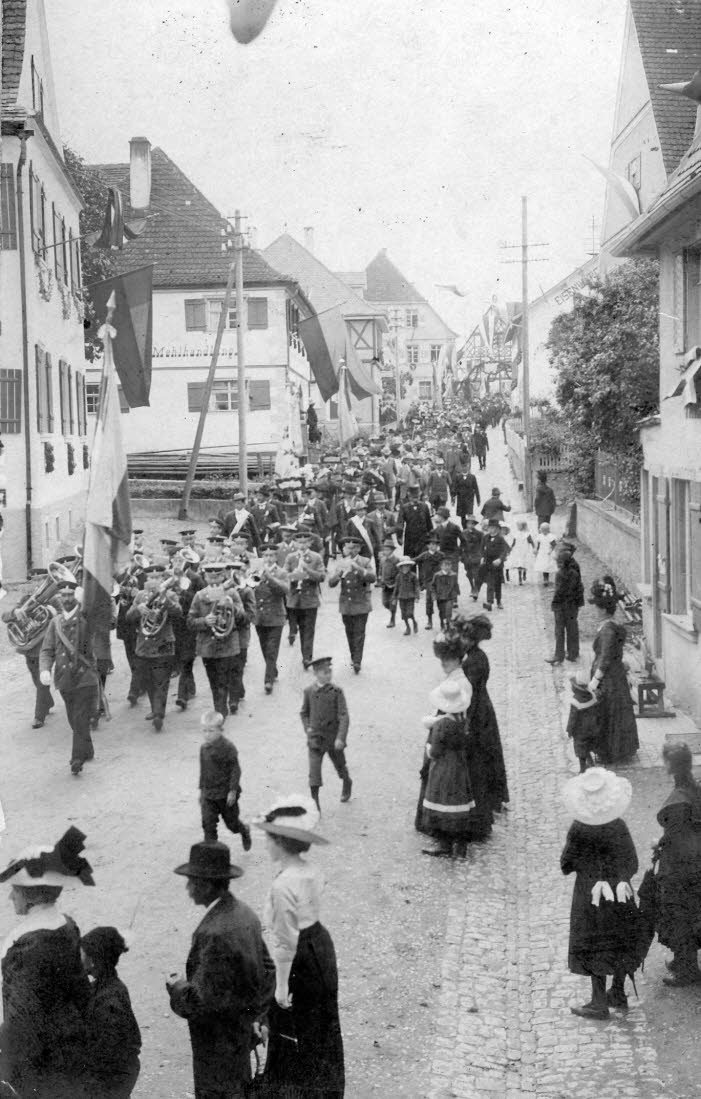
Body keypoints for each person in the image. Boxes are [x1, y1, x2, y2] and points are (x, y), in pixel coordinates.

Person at [168, 841, 274, 1099]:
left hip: (217, 1048)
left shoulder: (214, 933)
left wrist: (177, 987)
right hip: (240, 1036)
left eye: (191, 881)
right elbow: (269, 970)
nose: (187, 887)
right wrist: (257, 1017)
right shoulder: (244, 913)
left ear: (205, 884)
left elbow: (199, 1002)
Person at [256, 796, 345, 1098]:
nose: (266, 845)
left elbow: (284, 943)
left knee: (293, 1032)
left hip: (298, 959)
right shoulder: (310, 871)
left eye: (269, 839)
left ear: (280, 842)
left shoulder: (283, 884)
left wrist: (280, 989)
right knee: (321, 1026)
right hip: (320, 946)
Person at [0, 828, 94, 1098]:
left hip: (41, 1065)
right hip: (73, 1049)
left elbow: (21, 1024)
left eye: (15, 892)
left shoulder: (23, 946)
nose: (10, 897)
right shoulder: (67, 925)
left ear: (30, 895)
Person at [560, 768, 640, 1018]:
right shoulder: (618, 826)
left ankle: (598, 1001)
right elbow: (633, 863)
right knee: (619, 939)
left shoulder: (579, 828)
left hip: (590, 896)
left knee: (595, 943)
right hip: (619, 893)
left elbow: (566, 865)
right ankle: (618, 991)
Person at [39, 577, 99, 775]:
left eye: (70, 595)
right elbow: (47, 650)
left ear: (77, 596)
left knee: (80, 717)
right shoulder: (55, 622)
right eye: (63, 595)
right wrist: (45, 669)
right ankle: (87, 749)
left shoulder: (85, 617)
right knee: (74, 720)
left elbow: (96, 612)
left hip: (84, 677)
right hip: (64, 679)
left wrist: (86, 600)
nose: (66, 599)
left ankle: (76, 759)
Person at [654, 742, 701, 986]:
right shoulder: (693, 788)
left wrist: (660, 843)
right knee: (691, 914)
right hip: (695, 863)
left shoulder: (679, 800)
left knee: (680, 916)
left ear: (670, 765)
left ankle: (687, 969)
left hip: (680, 869)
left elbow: (677, 838)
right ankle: (683, 960)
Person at [79, 926, 142, 1098]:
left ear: (92, 960)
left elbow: (109, 1057)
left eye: (81, 953)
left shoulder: (109, 1004)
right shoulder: (110, 985)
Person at [420, 679, 474, 859]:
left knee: (442, 804)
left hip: (443, 769)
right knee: (457, 806)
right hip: (459, 767)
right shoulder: (462, 720)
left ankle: (445, 844)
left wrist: (428, 750)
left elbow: (435, 751)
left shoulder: (442, 725)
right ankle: (461, 846)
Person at [588, 576, 639, 764]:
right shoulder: (610, 625)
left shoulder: (608, 629)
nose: (595, 610)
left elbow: (606, 657)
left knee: (610, 711)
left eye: (596, 607)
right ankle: (617, 748)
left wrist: (596, 679)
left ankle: (613, 750)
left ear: (602, 609)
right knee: (616, 711)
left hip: (609, 678)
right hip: (615, 675)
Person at [126, 564, 183, 733]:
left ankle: (159, 713)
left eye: (157, 577)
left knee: (161, 681)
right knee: (148, 680)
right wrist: (138, 609)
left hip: (163, 644)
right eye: (150, 577)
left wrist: (166, 600)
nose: (153, 581)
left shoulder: (170, 594)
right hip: (144, 645)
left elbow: (178, 612)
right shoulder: (141, 596)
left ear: (162, 579)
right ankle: (155, 708)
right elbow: (128, 617)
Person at [188, 560, 247, 719]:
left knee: (224, 679)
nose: (214, 581)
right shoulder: (199, 596)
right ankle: (220, 708)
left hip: (228, 644)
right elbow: (190, 621)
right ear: (205, 578)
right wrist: (205, 621)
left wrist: (232, 607)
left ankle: (221, 712)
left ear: (223, 577)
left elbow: (243, 618)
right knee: (214, 681)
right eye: (210, 577)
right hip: (208, 646)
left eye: (217, 577)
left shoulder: (232, 593)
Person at [300, 656, 352, 809]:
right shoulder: (309, 691)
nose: (328, 675)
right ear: (315, 674)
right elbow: (304, 713)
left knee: (340, 765)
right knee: (314, 772)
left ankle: (347, 781)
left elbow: (344, 715)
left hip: (332, 738)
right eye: (324, 672)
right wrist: (307, 728)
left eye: (330, 671)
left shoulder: (337, 692)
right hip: (315, 739)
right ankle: (315, 803)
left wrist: (340, 737)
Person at [199, 709, 252, 850]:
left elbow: (236, 770)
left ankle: (244, 830)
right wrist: (201, 792)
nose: (207, 735)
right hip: (209, 795)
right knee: (208, 824)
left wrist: (232, 791)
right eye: (204, 731)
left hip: (225, 795)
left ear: (220, 730)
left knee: (232, 824)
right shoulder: (204, 749)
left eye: (211, 731)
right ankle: (212, 855)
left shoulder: (228, 748)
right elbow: (203, 771)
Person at [328, 534, 375, 673]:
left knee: (360, 632)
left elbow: (372, 578)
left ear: (359, 549)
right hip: (346, 603)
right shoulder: (341, 563)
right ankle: (353, 655)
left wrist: (357, 567)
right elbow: (331, 583)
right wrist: (339, 573)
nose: (350, 551)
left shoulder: (365, 561)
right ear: (343, 549)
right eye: (347, 548)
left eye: (354, 548)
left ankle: (357, 661)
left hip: (361, 603)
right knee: (350, 632)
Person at [284, 528, 326, 670]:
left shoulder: (316, 557)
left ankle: (307, 657)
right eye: (299, 542)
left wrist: (307, 570)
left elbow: (321, 576)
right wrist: (293, 575)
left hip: (310, 600)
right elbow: (284, 575)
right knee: (296, 626)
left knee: (308, 630)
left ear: (310, 543)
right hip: (294, 599)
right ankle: (293, 634)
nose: (301, 545)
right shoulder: (290, 557)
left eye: (305, 542)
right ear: (294, 543)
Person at [254, 546, 289, 693]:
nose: (268, 559)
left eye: (271, 556)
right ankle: (272, 669)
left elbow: (284, 590)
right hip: (259, 616)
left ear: (276, 557)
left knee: (271, 649)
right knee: (264, 647)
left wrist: (269, 578)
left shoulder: (281, 572)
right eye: (265, 556)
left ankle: (268, 681)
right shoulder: (255, 571)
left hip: (275, 616)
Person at [546, 545, 584, 665]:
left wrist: (554, 604)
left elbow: (559, 591)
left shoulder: (560, 574)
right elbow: (579, 587)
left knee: (559, 630)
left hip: (562, 606)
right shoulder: (574, 570)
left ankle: (559, 655)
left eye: (559, 562)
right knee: (572, 628)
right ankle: (573, 653)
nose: (557, 564)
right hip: (573, 605)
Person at [566, 670, 600, 773]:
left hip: (580, 731)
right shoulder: (591, 696)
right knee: (588, 745)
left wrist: (569, 730)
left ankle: (582, 768)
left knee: (581, 749)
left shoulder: (576, 701)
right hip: (592, 728)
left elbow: (572, 718)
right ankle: (591, 762)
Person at [478, 518, 509, 612]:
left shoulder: (500, 538)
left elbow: (506, 550)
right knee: (490, 583)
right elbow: (481, 549)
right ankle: (489, 602)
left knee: (497, 584)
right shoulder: (485, 537)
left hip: (497, 565)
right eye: (489, 527)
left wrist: (500, 559)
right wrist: (482, 557)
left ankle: (499, 601)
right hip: (488, 563)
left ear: (497, 529)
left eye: (493, 528)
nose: (491, 529)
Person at [415, 533, 443, 629]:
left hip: (440, 581)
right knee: (429, 601)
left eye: (435, 544)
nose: (433, 546)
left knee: (441, 601)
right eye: (431, 544)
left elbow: (447, 565)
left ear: (437, 546)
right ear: (428, 546)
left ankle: (442, 622)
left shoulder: (441, 555)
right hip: (429, 582)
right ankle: (429, 621)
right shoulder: (424, 555)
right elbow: (414, 560)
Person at [398, 485, 433, 558]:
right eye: (413, 497)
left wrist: (431, 537)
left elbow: (429, 523)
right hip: (410, 538)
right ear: (409, 497)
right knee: (410, 560)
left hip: (422, 538)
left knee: (423, 559)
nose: (415, 499)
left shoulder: (424, 507)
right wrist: (399, 536)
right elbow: (400, 523)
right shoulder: (405, 508)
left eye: (417, 497)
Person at [430, 556, 460, 630]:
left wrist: (456, 593)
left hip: (450, 596)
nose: (447, 567)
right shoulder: (437, 575)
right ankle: (442, 622)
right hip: (440, 597)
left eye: (449, 565)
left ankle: (448, 623)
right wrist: (434, 595)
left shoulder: (453, 575)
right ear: (441, 566)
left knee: (448, 611)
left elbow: (456, 585)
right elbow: (433, 586)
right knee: (442, 611)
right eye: (445, 565)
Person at [393, 556, 420, 635]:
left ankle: (414, 622)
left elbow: (417, 586)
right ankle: (408, 627)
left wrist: (417, 596)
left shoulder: (413, 576)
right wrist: (394, 598)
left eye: (407, 566)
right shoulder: (398, 577)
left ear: (410, 567)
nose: (405, 568)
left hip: (410, 597)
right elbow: (396, 587)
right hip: (401, 597)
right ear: (401, 567)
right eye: (404, 566)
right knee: (404, 615)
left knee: (410, 613)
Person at [460, 516, 483, 600]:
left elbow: (482, 545)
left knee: (476, 574)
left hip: (476, 556)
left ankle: (476, 589)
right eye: (468, 523)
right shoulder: (463, 533)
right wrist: (460, 555)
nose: (470, 525)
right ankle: (472, 587)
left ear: (474, 524)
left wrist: (481, 555)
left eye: (472, 523)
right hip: (467, 556)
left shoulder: (479, 534)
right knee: (469, 574)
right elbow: (461, 545)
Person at [379, 537, 400, 628]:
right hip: (385, 585)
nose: (385, 551)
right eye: (384, 549)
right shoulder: (382, 560)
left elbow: (399, 573)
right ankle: (392, 611)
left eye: (387, 549)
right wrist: (380, 577)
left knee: (392, 603)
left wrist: (396, 584)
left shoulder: (396, 560)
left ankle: (392, 619)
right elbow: (380, 569)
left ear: (392, 550)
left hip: (393, 585)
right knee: (385, 603)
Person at [506, 519, 533, 585]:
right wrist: (510, 548)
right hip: (518, 551)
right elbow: (514, 542)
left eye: (519, 526)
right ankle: (520, 579)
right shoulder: (516, 534)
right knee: (519, 564)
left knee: (524, 563)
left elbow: (531, 542)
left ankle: (524, 573)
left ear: (523, 526)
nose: (517, 527)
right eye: (517, 526)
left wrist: (534, 548)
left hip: (525, 551)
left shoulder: (527, 534)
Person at [533, 522, 557, 587]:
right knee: (544, 566)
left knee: (548, 566)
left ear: (548, 530)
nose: (544, 532)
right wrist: (536, 550)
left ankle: (549, 578)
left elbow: (554, 544)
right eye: (542, 530)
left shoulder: (550, 536)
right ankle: (545, 579)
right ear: (541, 530)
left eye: (545, 530)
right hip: (542, 552)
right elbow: (538, 544)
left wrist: (551, 550)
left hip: (548, 552)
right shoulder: (540, 536)